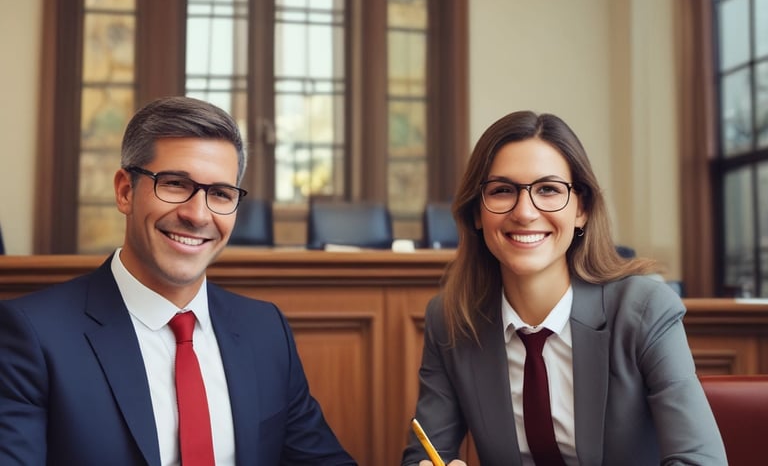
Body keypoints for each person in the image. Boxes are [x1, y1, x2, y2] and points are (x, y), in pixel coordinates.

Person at [0, 96, 357, 466]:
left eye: (220, 193)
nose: (197, 215)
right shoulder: (32, 336)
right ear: (125, 191)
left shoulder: (265, 330)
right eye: (174, 184)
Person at [401, 111, 727, 466]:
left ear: (582, 208)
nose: (525, 212)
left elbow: (701, 461)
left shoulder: (645, 310)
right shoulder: (450, 320)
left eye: (548, 189)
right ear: (477, 213)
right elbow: (425, 454)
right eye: (502, 191)